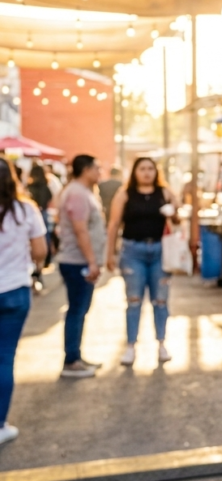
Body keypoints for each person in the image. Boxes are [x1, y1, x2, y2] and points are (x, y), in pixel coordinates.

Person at [104, 157, 179, 366]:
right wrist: (109, 254)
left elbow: (179, 218)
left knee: (161, 300)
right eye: (142, 169)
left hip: (159, 251)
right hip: (132, 251)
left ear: (157, 172)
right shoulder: (125, 194)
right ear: (134, 172)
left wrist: (173, 212)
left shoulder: (165, 193)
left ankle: (161, 343)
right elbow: (113, 225)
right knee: (134, 300)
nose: (147, 173)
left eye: (150, 169)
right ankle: (130, 346)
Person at [0, 158, 48, 445]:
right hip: (16, 290)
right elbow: (41, 250)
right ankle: (0, 425)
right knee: (4, 357)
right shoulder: (25, 210)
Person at [54, 155, 106, 378]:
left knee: (80, 310)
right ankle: (72, 360)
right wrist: (91, 261)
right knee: (76, 310)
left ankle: (75, 355)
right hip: (77, 261)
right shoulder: (76, 193)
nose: (99, 172)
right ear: (85, 170)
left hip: (80, 260)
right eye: (96, 168)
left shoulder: (83, 192)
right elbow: (80, 229)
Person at [26, 164, 53, 288]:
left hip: (32, 215)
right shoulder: (46, 187)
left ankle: (33, 270)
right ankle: (39, 270)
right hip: (43, 215)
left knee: (30, 244)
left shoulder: (29, 187)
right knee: (42, 242)